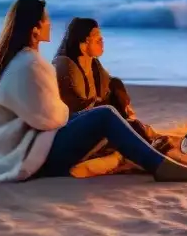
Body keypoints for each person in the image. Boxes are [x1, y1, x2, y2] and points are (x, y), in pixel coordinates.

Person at [0, 0, 187, 184]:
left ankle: (153, 154)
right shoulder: (30, 64)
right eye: (46, 20)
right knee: (104, 115)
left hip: (3, 152)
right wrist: (70, 112)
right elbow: (50, 118)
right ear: (35, 30)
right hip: (28, 158)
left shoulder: (5, 62)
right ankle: (158, 165)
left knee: (102, 115)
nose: (51, 25)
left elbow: (44, 114)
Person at [52, 17, 165, 148]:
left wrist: (123, 106)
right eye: (97, 39)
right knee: (124, 121)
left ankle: (139, 132)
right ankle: (144, 140)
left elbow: (110, 86)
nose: (102, 41)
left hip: (94, 118)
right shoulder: (65, 65)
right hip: (74, 127)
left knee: (115, 85)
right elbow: (77, 108)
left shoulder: (93, 64)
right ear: (83, 42)